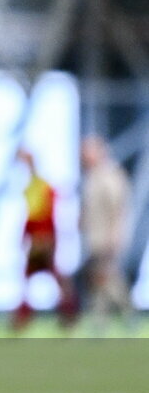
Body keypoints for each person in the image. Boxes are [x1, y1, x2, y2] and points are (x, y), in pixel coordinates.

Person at [11, 149, 78, 330]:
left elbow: (45, 217)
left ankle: (67, 316)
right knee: (38, 279)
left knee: (52, 279)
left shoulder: (42, 188)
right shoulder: (33, 187)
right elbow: (31, 218)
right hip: (39, 240)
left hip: (44, 241)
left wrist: (45, 240)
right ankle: (24, 319)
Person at [80, 136, 132, 326]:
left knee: (108, 278)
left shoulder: (110, 175)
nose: (83, 157)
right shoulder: (92, 176)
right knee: (100, 279)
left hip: (107, 237)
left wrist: (115, 235)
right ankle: (102, 320)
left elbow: (117, 209)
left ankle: (126, 314)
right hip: (94, 237)